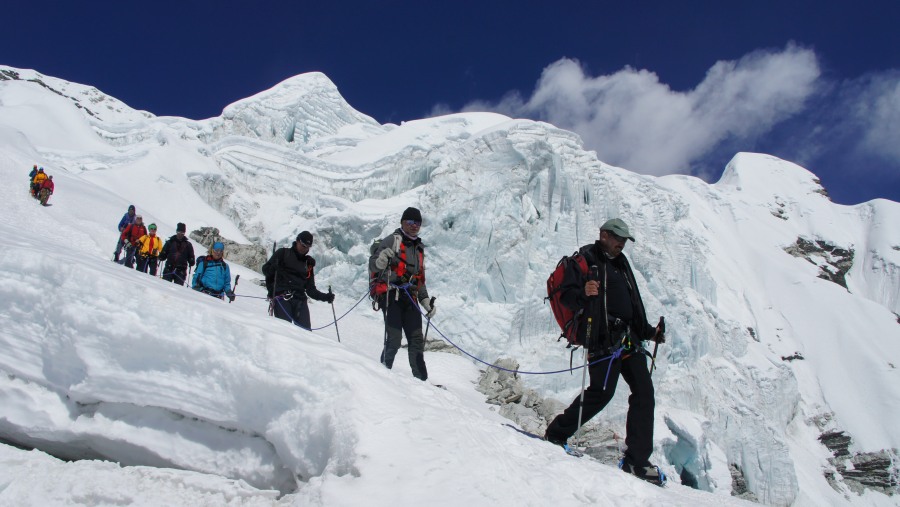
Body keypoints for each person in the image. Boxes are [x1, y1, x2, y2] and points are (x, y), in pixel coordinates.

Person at [543, 218, 666, 486]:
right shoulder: (586, 258)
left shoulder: (622, 264)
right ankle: (556, 433)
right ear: (603, 235)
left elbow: (633, 304)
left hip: (630, 340)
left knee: (644, 392)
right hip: (602, 338)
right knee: (602, 392)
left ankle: (637, 460)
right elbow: (566, 295)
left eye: (624, 239)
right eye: (617, 237)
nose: (622, 243)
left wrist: (648, 332)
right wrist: (584, 294)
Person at [368, 207, 435, 381]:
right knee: (395, 338)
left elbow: (419, 279)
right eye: (411, 222)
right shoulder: (392, 240)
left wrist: (425, 300)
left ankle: (421, 382)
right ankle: (382, 375)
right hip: (391, 296)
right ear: (402, 223)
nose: (414, 226)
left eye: (417, 222)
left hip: (410, 298)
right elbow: (373, 264)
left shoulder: (418, 248)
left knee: (416, 340)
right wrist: (381, 259)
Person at [262, 231, 334, 330]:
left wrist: (325, 297)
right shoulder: (283, 253)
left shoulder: (308, 263)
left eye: (307, 247)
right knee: (284, 330)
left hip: (300, 299)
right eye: (303, 245)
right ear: (297, 241)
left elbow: (310, 289)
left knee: (306, 333)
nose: (305, 249)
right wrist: (273, 268)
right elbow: (265, 270)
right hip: (282, 296)